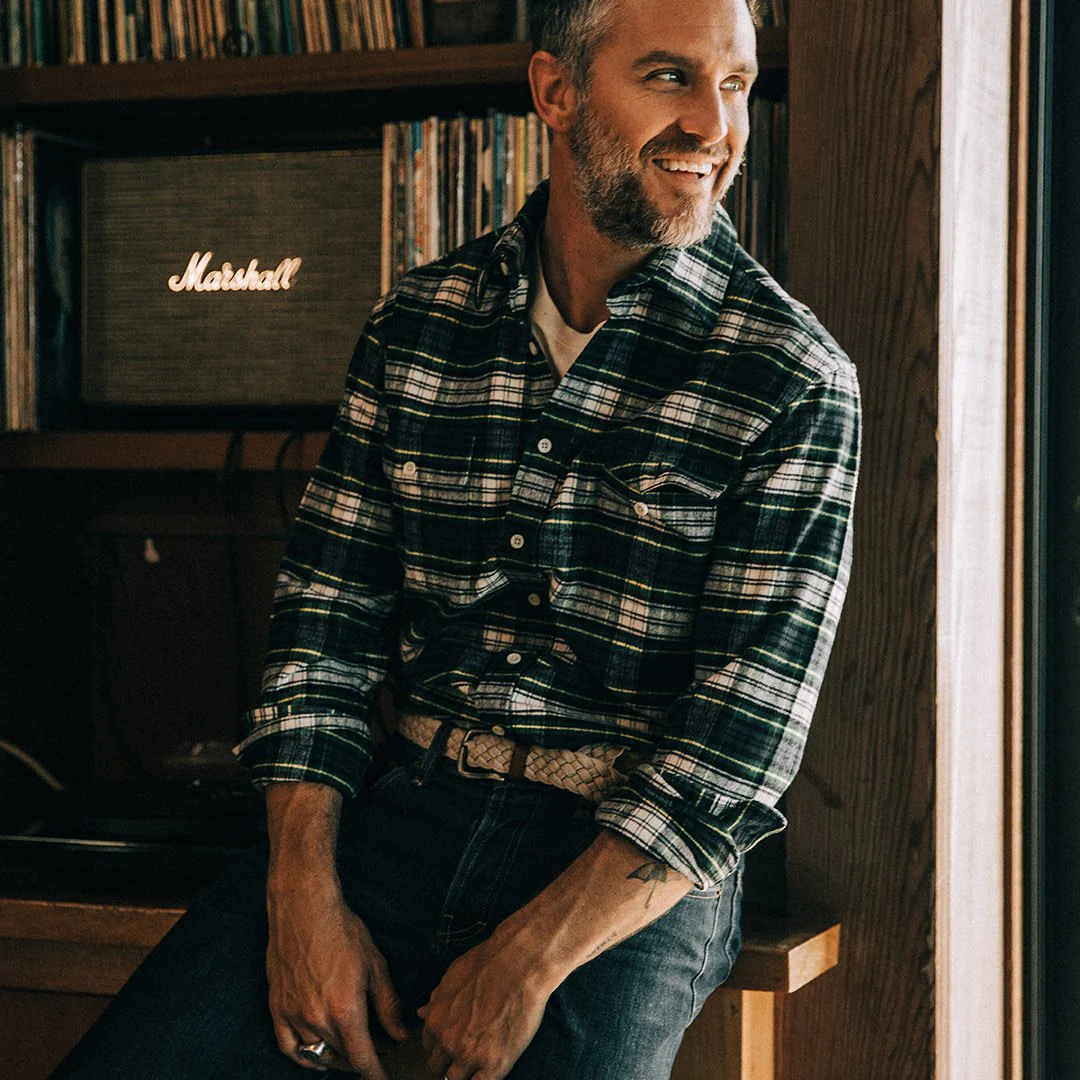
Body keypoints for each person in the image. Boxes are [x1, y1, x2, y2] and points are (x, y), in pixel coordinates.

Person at [52, 0, 860, 1077]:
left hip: (623, 869)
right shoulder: (417, 327)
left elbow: (735, 750)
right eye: (669, 75)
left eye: (736, 85)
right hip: (397, 815)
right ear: (557, 92)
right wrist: (302, 898)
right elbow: (321, 638)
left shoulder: (793, 380)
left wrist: (525, 963)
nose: (714, 125)